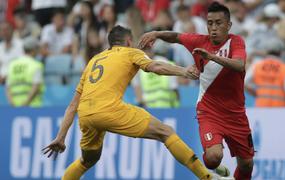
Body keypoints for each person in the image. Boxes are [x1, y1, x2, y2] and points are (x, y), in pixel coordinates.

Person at [43, 25, 212, 180]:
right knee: (165, 132)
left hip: (86, 115)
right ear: (129, 41)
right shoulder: (131, 52)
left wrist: (60, 137)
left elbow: (73, 105)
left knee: (87, 160)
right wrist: (184, 71)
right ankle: (207, 177)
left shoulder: (93, 61)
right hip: (109, 110)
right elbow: (156, 67)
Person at [139, 2, 254, 179]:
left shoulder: (236, 42)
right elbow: (176, 36)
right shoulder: (198, 41)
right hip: (209, 111)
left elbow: (239, 65)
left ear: (229, 25)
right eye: (210, 23)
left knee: (246, 164)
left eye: (218, 23)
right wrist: (156, 33)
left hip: (236, 115)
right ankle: (211, 166)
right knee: (214, 158)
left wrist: (211, 57)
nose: (213, 28)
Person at [245, 38, 285, 107]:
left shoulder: (257, 66)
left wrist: (257, 95)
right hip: (280, 110)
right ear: (281, 52)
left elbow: (245, 84)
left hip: (261, 108)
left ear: (266, 51)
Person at [6, 37, 44, 107]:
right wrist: (25, 104)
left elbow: (8, 87)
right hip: (32, 107)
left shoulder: (12, 64)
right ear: (33, 50)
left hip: (14, 107)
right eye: (37, 49)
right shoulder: (36, 65)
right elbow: (36, 87)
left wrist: (12, 104)